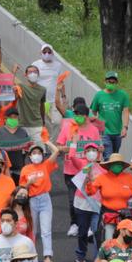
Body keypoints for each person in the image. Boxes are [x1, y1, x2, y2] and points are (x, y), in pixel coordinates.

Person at [56, 102, 102, 237]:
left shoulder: (93, 130)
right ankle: (74, 223)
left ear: (86, 116)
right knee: (72, 200)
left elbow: (97, 147)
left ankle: (88, 226)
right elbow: (58, 145)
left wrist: (100, 151)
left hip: (88, 170)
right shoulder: (68, 128)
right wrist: (65, 148)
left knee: (90, 198)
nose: (77, 117)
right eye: (75, 115)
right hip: (71, 169)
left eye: (80, 115)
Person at [85, 152, 132, 240]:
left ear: (122, 166)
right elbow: (90, 192)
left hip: (126, 217)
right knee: (108, 241)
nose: (117, 166)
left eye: (119, 164)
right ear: (110, 166)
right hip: (108, 216)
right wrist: (89, 182)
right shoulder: (102, 178)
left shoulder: (129, 178)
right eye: (114, 164)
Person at [19, 141, 60, 262]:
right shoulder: (26, 169)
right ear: (30, 156)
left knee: (46, 230)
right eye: (34, 153)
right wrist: (28, 183)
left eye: (39, 153)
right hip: (32, 200)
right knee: (32, 230)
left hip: (45, 199)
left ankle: (48, 258)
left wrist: (47, 141)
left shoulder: (46, 165)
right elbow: (21, 188)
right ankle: (31, 257)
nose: (36, 155)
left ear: (42, 155)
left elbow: (57, 151)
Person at [91, 71, 130, 158]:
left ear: (117, 83)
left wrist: (125, 127)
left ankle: (110, 171)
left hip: (117, 132)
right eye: (109, 82)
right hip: (104, 132)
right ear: (105, 81)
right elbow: (93, 112)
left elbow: (126, 112)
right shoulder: (99, 95)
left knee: (115, 157)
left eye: (113, 82)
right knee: (108, 157)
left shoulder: (123, 95)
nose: (111, 84)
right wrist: (97, 126)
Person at [30, 44, 64, 126]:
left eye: (49, 52)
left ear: (52, 53)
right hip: (40, 99)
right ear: (40, 53)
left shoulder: (58, 65)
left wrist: (63, 95)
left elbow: (61, 81)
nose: (47, 54)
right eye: (44, 52)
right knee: (42, 122)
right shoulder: (35, 64)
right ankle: (45, 138)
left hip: (55, 99)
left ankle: (54, 139)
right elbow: (31, 81)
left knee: (57, 122)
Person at [0, 108, 32, 183]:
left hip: (19, 168)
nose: (13, 119)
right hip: (3, 169)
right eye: (10, 117)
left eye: (15, 117)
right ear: (5, 119)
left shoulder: (23, 132)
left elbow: (28, 150)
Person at [13, 64, 47, 142]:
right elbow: (10, 90)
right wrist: (14, 72)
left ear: (38, 74)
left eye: (35, 72)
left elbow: (42, 106)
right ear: (26, 75)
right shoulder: (20, 87)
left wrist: (43, 121)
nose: (33, 74)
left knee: (39, 148)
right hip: (22, 124)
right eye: (30, 72)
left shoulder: (43, 89)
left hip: (37, 124)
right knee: (23, 150)